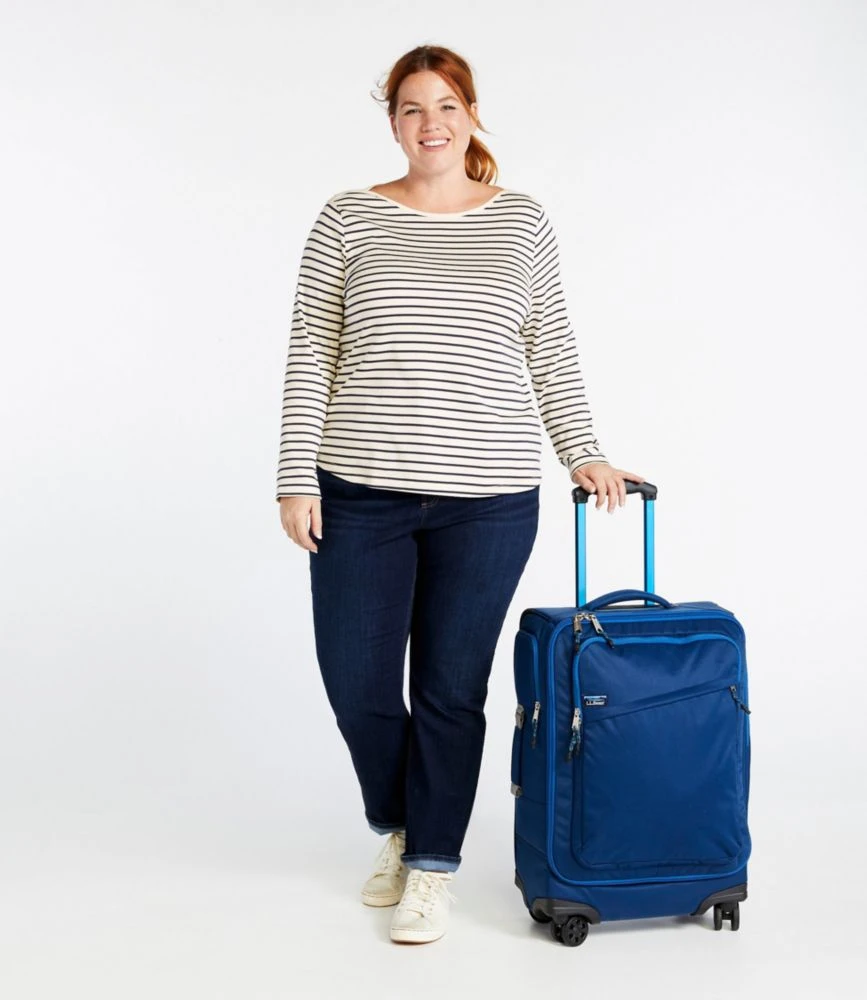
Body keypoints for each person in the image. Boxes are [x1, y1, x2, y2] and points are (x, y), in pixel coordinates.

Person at [276, 44, 645, 945]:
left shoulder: (520, 220)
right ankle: (399, 826)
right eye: (411, 108)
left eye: (446, 105)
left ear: (470, 115)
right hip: (359, 490)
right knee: (357, 684)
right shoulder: (347, 218)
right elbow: (311, 351)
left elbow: (548, 344)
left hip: (486, 499)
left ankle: (432, 866)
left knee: (449, 690)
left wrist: (583, 452)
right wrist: (293, 477)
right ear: (392, 122)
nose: (429, 123)